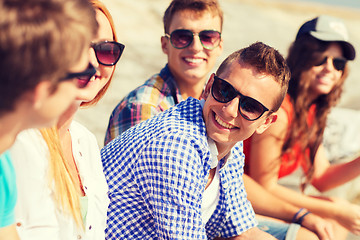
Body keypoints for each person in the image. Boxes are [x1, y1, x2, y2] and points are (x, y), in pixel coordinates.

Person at [101, 42, 290, 239]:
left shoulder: (230, 140)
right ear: (209, 87)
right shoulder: (177, 147)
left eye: (250, 106)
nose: (230, 110)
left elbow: (244, 231)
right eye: (225, 91)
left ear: (266, 122)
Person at [9, 1, 124, 239]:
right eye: (79, 47)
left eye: (106, 50)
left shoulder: (86, 142)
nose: (92, 63)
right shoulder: (17, 141)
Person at [244, 15, 360, 240]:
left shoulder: (310, 110)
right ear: (300, 57)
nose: (329, 69)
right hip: (239, 196)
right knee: (322, 225)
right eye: (320, 58)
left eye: (338, 63)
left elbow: (322, 178)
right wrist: (336, 211)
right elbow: (264, 186)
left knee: (334, 217)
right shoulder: (281, 111)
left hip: (257, 197)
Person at [104, 0, 223, 144]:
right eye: (182, 37)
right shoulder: (143, 109)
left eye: (208, 37)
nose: (196, 47)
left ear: (219, 45)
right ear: (165, 45)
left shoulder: (218, 105)